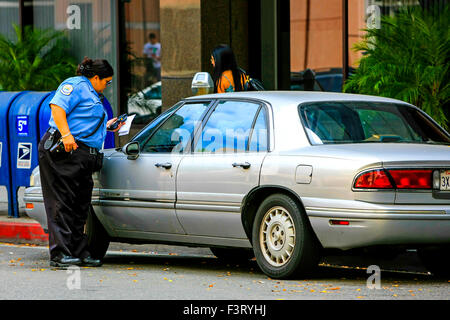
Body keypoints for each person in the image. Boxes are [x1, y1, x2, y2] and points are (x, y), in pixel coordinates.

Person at [38, 57, 124, 268]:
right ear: (96, 77)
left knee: (80, 204)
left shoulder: (94, 94)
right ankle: (60, 254)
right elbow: (57, 107)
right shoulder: (75, 85)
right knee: (62, 202)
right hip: (64, 150)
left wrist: (109, 125)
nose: (107, 85)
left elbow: (85, 122)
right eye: (106, 81)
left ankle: (78, 252)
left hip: (83, 155)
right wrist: (67, 135)